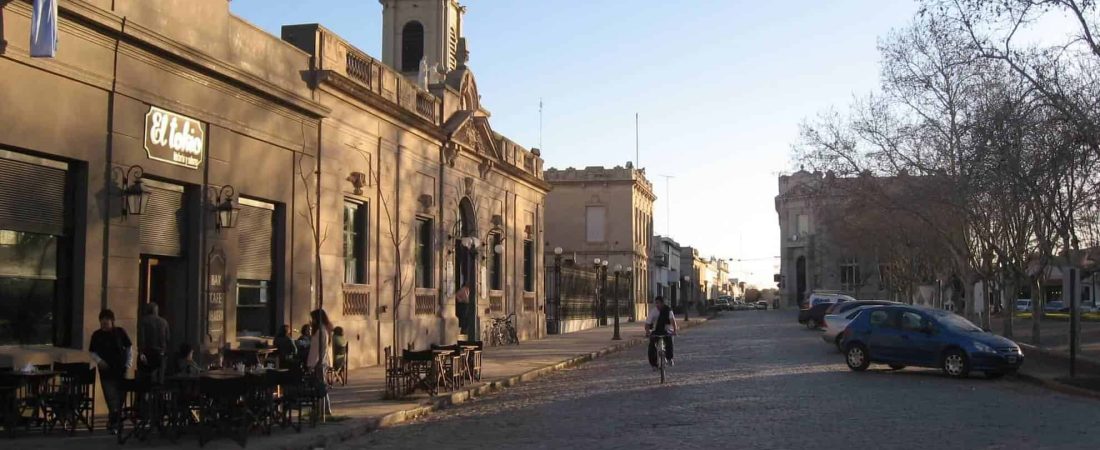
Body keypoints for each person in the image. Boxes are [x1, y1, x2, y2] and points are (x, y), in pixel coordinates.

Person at [89, 309, 132, 432]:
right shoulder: (96, 335)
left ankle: (114, 421)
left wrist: (128, 363)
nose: (104, 325)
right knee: (111, 397)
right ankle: (115, 424)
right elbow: (92, 351)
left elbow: (129, 348)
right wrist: (99, 361)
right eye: (102, 323)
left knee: (121, 397)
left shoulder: (120, 332)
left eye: (106, 322)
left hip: (121, 369)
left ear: (112, 321)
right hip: (106, 372)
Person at [307, 309, 335, 417]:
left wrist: (311, 364)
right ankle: (326, 409)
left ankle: (322, 410)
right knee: (322, 386)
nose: (312, 321)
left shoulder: (320, 331)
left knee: (320, 387)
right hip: (323, 361)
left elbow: (316, 350)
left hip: (319, 363)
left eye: (313, 318)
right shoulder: (324, 330)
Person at [138, 302, 170, 384]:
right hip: (160, 353)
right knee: (160, 378)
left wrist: (141, 352)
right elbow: (167, 338)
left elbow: (142, 338)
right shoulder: (164, 322)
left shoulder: (143, 321)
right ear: (156, 311)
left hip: (147, 352)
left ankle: (144, 393)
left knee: (144, 379)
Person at [645, 296, 677, 369]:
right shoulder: (653, 311)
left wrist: (675, 331)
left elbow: (673, 321)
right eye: (656, 303)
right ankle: (653, 364)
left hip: (666, 331)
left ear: (662, 303)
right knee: (651, 346)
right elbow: (647, 323)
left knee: (670, 341)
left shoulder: (668, 311)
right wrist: (647, 332)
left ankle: (669, 358)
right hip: (656, 331)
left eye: (658, 303)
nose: (657, 305)